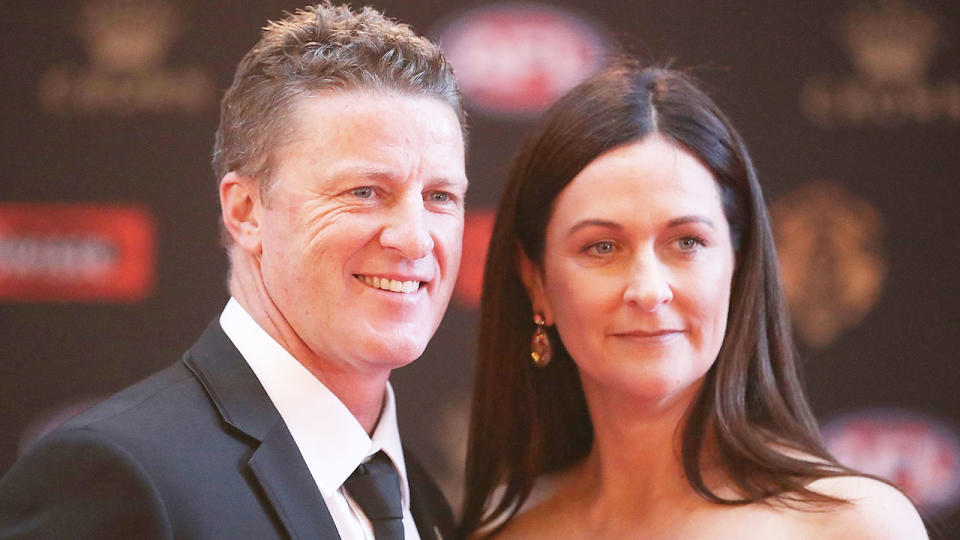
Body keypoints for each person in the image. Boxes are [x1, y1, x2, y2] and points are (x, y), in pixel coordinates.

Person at [0, 3, 467, 539]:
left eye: (440, 196)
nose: (414, 237)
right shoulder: (114, 477)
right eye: (364, 192)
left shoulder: (421, 499)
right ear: (246, 211)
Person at [459, 63, 927, 539]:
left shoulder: (856, 527)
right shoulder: (503, 534)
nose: (648, 290)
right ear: (536, 280)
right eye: (601, 247)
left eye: (686, 242)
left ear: (738, 266)